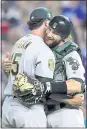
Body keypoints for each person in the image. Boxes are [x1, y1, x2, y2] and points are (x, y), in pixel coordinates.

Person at [2, 15, 85, 127]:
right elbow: (28, 86)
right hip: (45, 113)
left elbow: (76, 85)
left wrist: (44, 88)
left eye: (55, 33)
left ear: (64, 38)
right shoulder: (42, 49)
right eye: (49, 29)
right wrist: (7, 69)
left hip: (66, 115)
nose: (49, 34)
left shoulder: (70, 53)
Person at [2, 7, 55, 128]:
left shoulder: (19, 42)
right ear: (46, 23)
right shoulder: (43, 48)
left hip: (8, 106)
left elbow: (12, 75)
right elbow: (45, 87)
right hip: (28, 109)